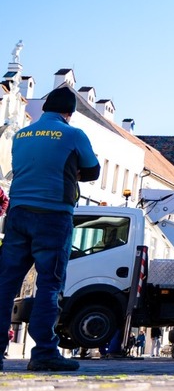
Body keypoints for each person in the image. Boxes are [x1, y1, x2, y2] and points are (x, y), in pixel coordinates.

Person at [0, 86, 100, 372]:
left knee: (6, 284)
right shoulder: (72, 134)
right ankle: (43, 352)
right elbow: (92, 171)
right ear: (69, 114)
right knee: (49, 284)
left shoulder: (21, 135)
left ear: (44, 109)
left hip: (18, 214)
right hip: (53, 215)